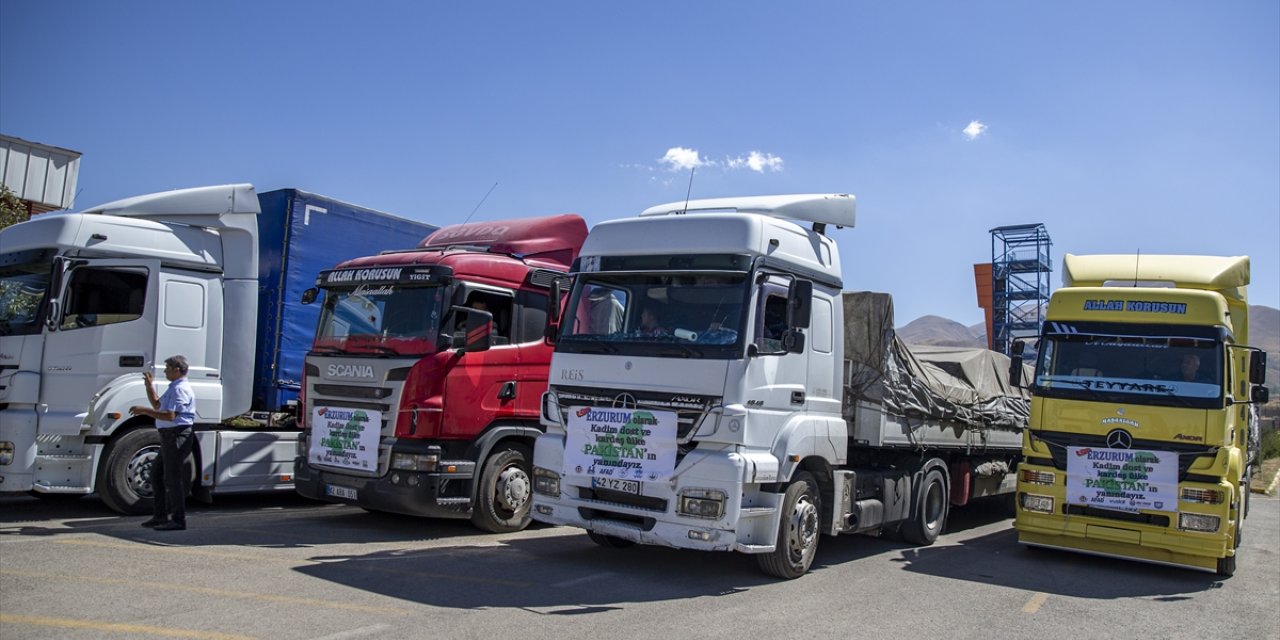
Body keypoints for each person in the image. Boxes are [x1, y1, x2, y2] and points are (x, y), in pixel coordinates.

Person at [130, 355, 197, 531]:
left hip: (176, 435)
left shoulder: (180, 389)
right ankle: (160, 516)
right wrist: (148, 386)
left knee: (172, 479)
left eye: (168, 368)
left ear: (177, 370)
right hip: (169, 436)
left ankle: (178, 519)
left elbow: (170, 415)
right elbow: (159, 405)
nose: (165, 371)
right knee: (156, 475)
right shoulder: (173, 388)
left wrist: (144, 411)